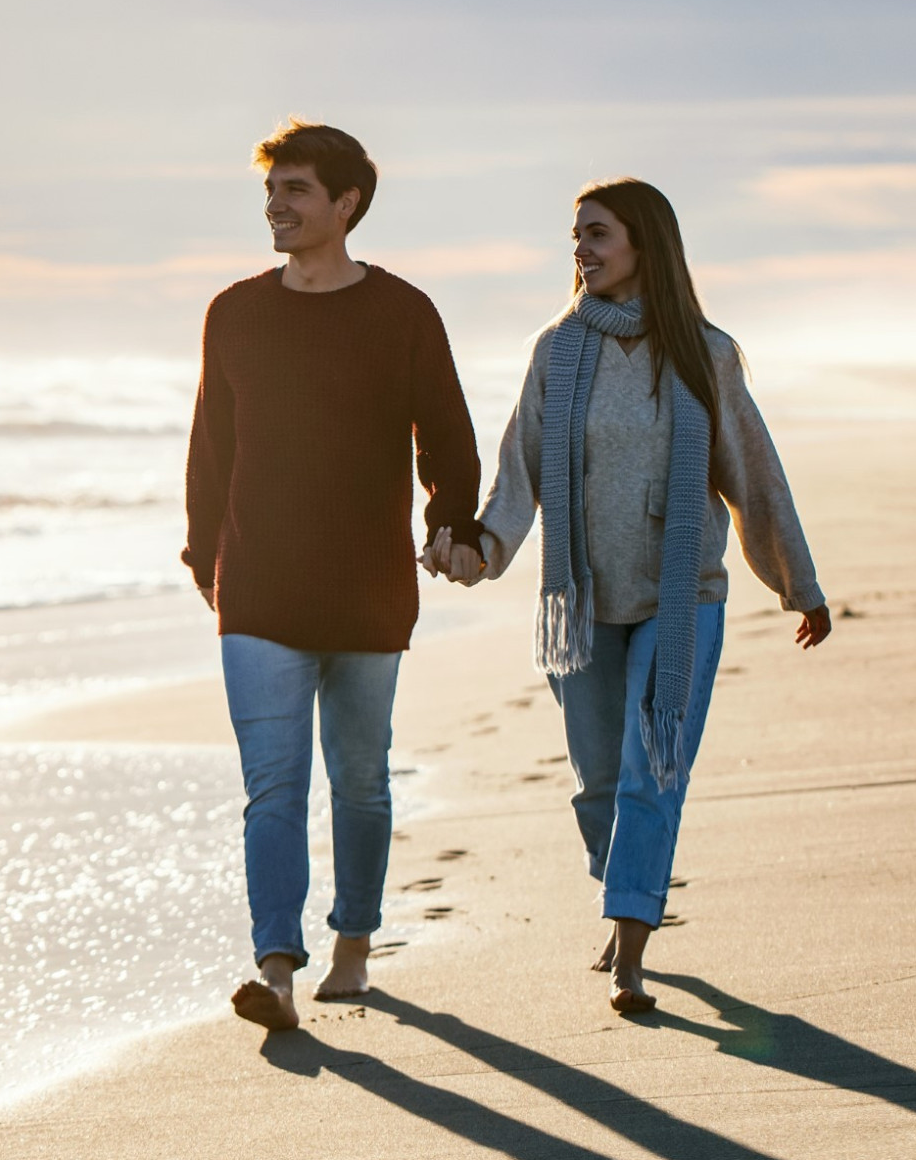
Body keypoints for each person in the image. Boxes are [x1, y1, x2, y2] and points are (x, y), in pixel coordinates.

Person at [444, 177, 828, 1017]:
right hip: (583, 601)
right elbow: (521, 474)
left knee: (652, 773)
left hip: (681, 595)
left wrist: (798, 583)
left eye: (598, 235)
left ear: (644, 246)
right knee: (597, 780)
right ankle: (623, 890)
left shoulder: (704, 352)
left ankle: (630, 950)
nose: (580, 250)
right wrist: (479, 550)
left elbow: (753, 478)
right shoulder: (557, 349)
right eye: (575, 236)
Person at [184, 119, 484, 1033]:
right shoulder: (233, 312)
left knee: (359, 781)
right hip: (260, 589)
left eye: (296, 192)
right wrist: (206, 556)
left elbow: (448, 434)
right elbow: (210, 447)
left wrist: (450, 522)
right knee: (273, 786)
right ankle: (274, 969)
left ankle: (354, 945)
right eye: (271, 192)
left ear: (345, 203)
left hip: (366, 586)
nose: (277, 208)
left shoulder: (401, 313)